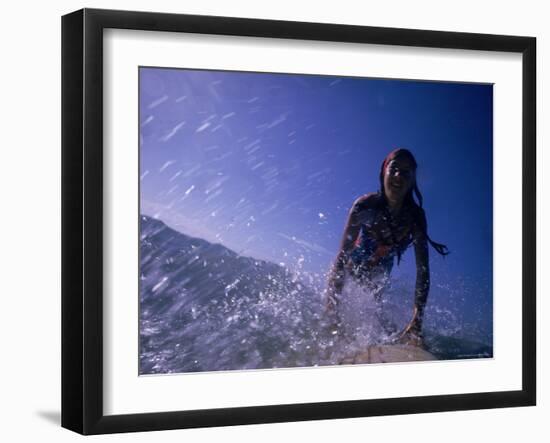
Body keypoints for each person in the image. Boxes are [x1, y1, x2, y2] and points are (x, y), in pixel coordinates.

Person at [325, 148, 449, 346]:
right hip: (359, 255)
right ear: (384, 172)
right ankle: (337, 317)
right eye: (394, 169)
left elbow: (423, 271)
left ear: (411, 181)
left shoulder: (415, 218)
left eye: (406, 172)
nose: (399, 175)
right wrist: (331, 310)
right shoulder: (364, 206)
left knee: (374, 300)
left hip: (385, 261)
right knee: (350, 277)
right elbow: (341, 257)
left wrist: (417, 321)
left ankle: (384, 335)